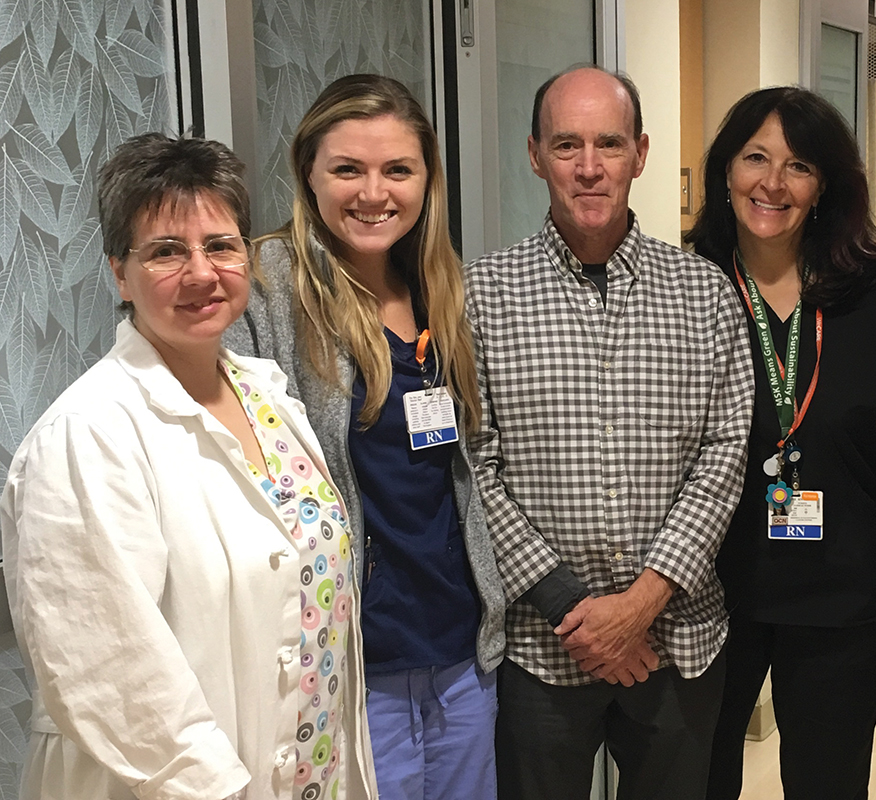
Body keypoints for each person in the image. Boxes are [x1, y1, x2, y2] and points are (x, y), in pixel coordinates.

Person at [1, 133, 376, 799]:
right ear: (120, 272)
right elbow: (111, 671)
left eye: (221, 245)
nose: (202, 273)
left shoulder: (267, 397)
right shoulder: (86, 436)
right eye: (167, 251)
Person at [464, 65, 755, 800]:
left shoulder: (703, 292)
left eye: (609, 143)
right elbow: (474, 465)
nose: (589, 167)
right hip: (542, 648)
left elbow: (725, 454)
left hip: (679, 639)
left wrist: (640, 605)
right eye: (567, 145)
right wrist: (574, 609)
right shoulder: (481, 294)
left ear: (641, 153)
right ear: (534, 154)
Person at [223, 74, 505, 800]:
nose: (373, 192)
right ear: (308, 173)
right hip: (347, 653)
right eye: (348, 168)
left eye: (397, 170)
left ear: (427, 180)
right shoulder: (264, 289)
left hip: (459, 646)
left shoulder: (442, 285)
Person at [685, 87, 876, 800]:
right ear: (726, 171)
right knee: (699, 777)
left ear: (825, 185)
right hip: (711, 591)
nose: (773, 184)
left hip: (844, 593)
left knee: (829, 782)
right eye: (756, 158)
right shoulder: (685, 289)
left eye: (799, 165)